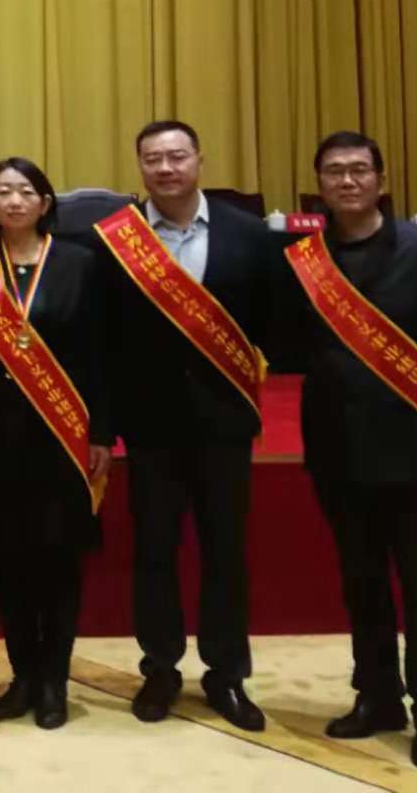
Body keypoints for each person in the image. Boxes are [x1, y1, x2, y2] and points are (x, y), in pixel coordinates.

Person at [290, 131, 417, 770]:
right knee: (362, 582)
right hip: (337, 451)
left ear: (381, 178)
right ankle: (376, 697)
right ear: (319, 184)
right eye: (334, 172)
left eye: (358, 170)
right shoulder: (306, 260)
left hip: (414, 454)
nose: (347, 181)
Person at [92, 120, 278, 731]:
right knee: (154, 553)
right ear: (140, 166)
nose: (166, 168)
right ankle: (160, 670)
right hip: (151, 427)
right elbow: (105, 342)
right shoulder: (116, 240)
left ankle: (227, 675)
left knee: (227, 553)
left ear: (199, 159)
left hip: (225, 425)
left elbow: (270, 324)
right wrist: (104, 427)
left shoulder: (249, 236)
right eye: (154, 159)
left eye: (177, 156)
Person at [0, 157, 112, 730]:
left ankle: (54, 680)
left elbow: (100, 353)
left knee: (59, 563)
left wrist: (101, 431)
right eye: (4, 191)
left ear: (45, 202)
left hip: (63, 437)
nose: (15, 200)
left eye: (26, 191)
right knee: (10, 565)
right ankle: (24, 674)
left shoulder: (78, 263)